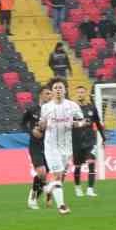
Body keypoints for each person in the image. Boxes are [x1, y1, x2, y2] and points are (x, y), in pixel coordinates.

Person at [39, 79, 85, 215]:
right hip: (51, 146)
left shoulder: (73, 106)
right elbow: (42, 125)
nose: (58, 90)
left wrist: (77, 124)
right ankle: (62, 206)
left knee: (60, 177)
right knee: (58, 175)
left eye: (61, 87)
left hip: (66, 147)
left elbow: (83, 120)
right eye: (55, 88)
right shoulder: (46, 107)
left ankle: (48, 188)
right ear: (52, 91)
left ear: (65, 90)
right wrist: (43, 125)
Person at [72, 85, 106, 197]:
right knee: (77, 166)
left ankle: (90, 189)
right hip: (76, 141)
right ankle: (77, 187)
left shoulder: (92, 108)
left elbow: (98, 124)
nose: (80, 94)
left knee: (91, 163)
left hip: (90, 141)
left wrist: (103, 138)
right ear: (76, 94)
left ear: (85, 94)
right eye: (79, 92)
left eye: (82, 92)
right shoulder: (72, 108)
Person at [23, 84, 50, 210]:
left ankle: (34, 197)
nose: (49, 96)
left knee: (42, 176)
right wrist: (31, 131)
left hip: (50, 146)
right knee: (41, 172)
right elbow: (22, 124)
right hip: (35, 145)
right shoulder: (32, 110)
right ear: (41, 95)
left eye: (50, 94)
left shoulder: (52, 111)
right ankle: (40, 194)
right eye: (47, 93)